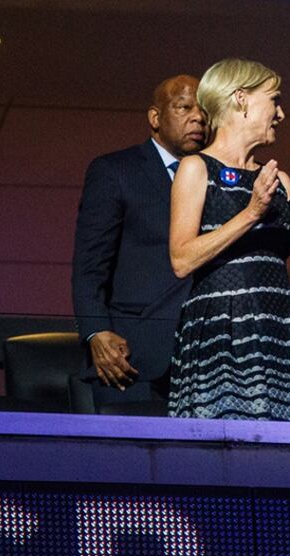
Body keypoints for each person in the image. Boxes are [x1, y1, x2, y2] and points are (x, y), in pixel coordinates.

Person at [167, 58, 290, 423]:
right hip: (222, 327)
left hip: (281, 323)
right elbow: (181, 260)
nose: (281, 113)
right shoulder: (196, 168)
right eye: (274, 100)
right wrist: (252, 212)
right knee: (229, 438)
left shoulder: (280, 179)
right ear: (240, 99)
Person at [72, 74, 205, 410]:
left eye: (203, 110)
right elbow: (90, 263)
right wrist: (96, 331)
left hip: (206, 355)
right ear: (155, 118)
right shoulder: (116, 170)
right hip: (132, 356)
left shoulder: (217, 175)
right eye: (184, 107)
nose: (198, 117)